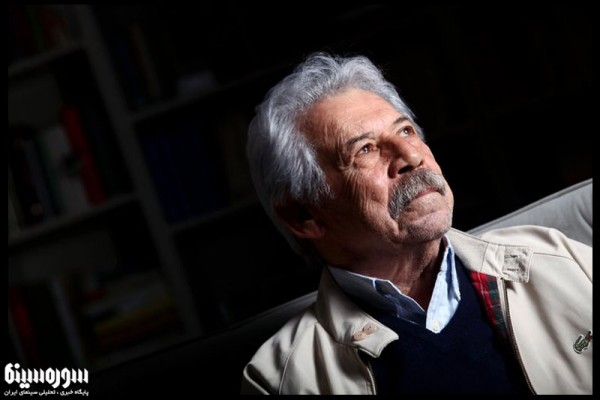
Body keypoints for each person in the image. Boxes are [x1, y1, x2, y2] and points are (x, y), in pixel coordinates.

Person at [241, 52, 592, 395]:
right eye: (365, 149)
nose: (411, 156)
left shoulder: (562, 260)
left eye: (406, 131)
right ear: (305, 217)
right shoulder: (282, 380)